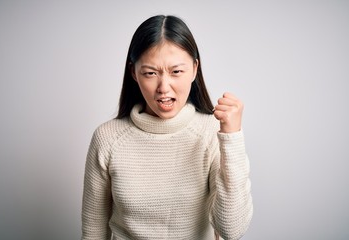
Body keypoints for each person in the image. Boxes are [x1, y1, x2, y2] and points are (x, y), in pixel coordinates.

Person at [81, 15, 253, 240]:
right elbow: (93, 232)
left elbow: (232, 229)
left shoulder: (212, 133)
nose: (163, 87)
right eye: (151, 73)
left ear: (194, 69)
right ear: (134, 73)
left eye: (176, 72)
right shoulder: (107, 138)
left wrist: (232, 138)